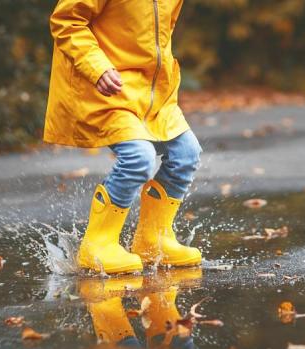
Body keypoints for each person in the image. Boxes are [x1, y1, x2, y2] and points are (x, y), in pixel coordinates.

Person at [43, 0, 202, 274]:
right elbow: (66, 22)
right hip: (106, 86)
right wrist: (98, 68)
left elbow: (162, 31)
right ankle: (97, 245)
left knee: (186, 153)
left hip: (152, 92)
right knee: (138, 157)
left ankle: (154, 240)